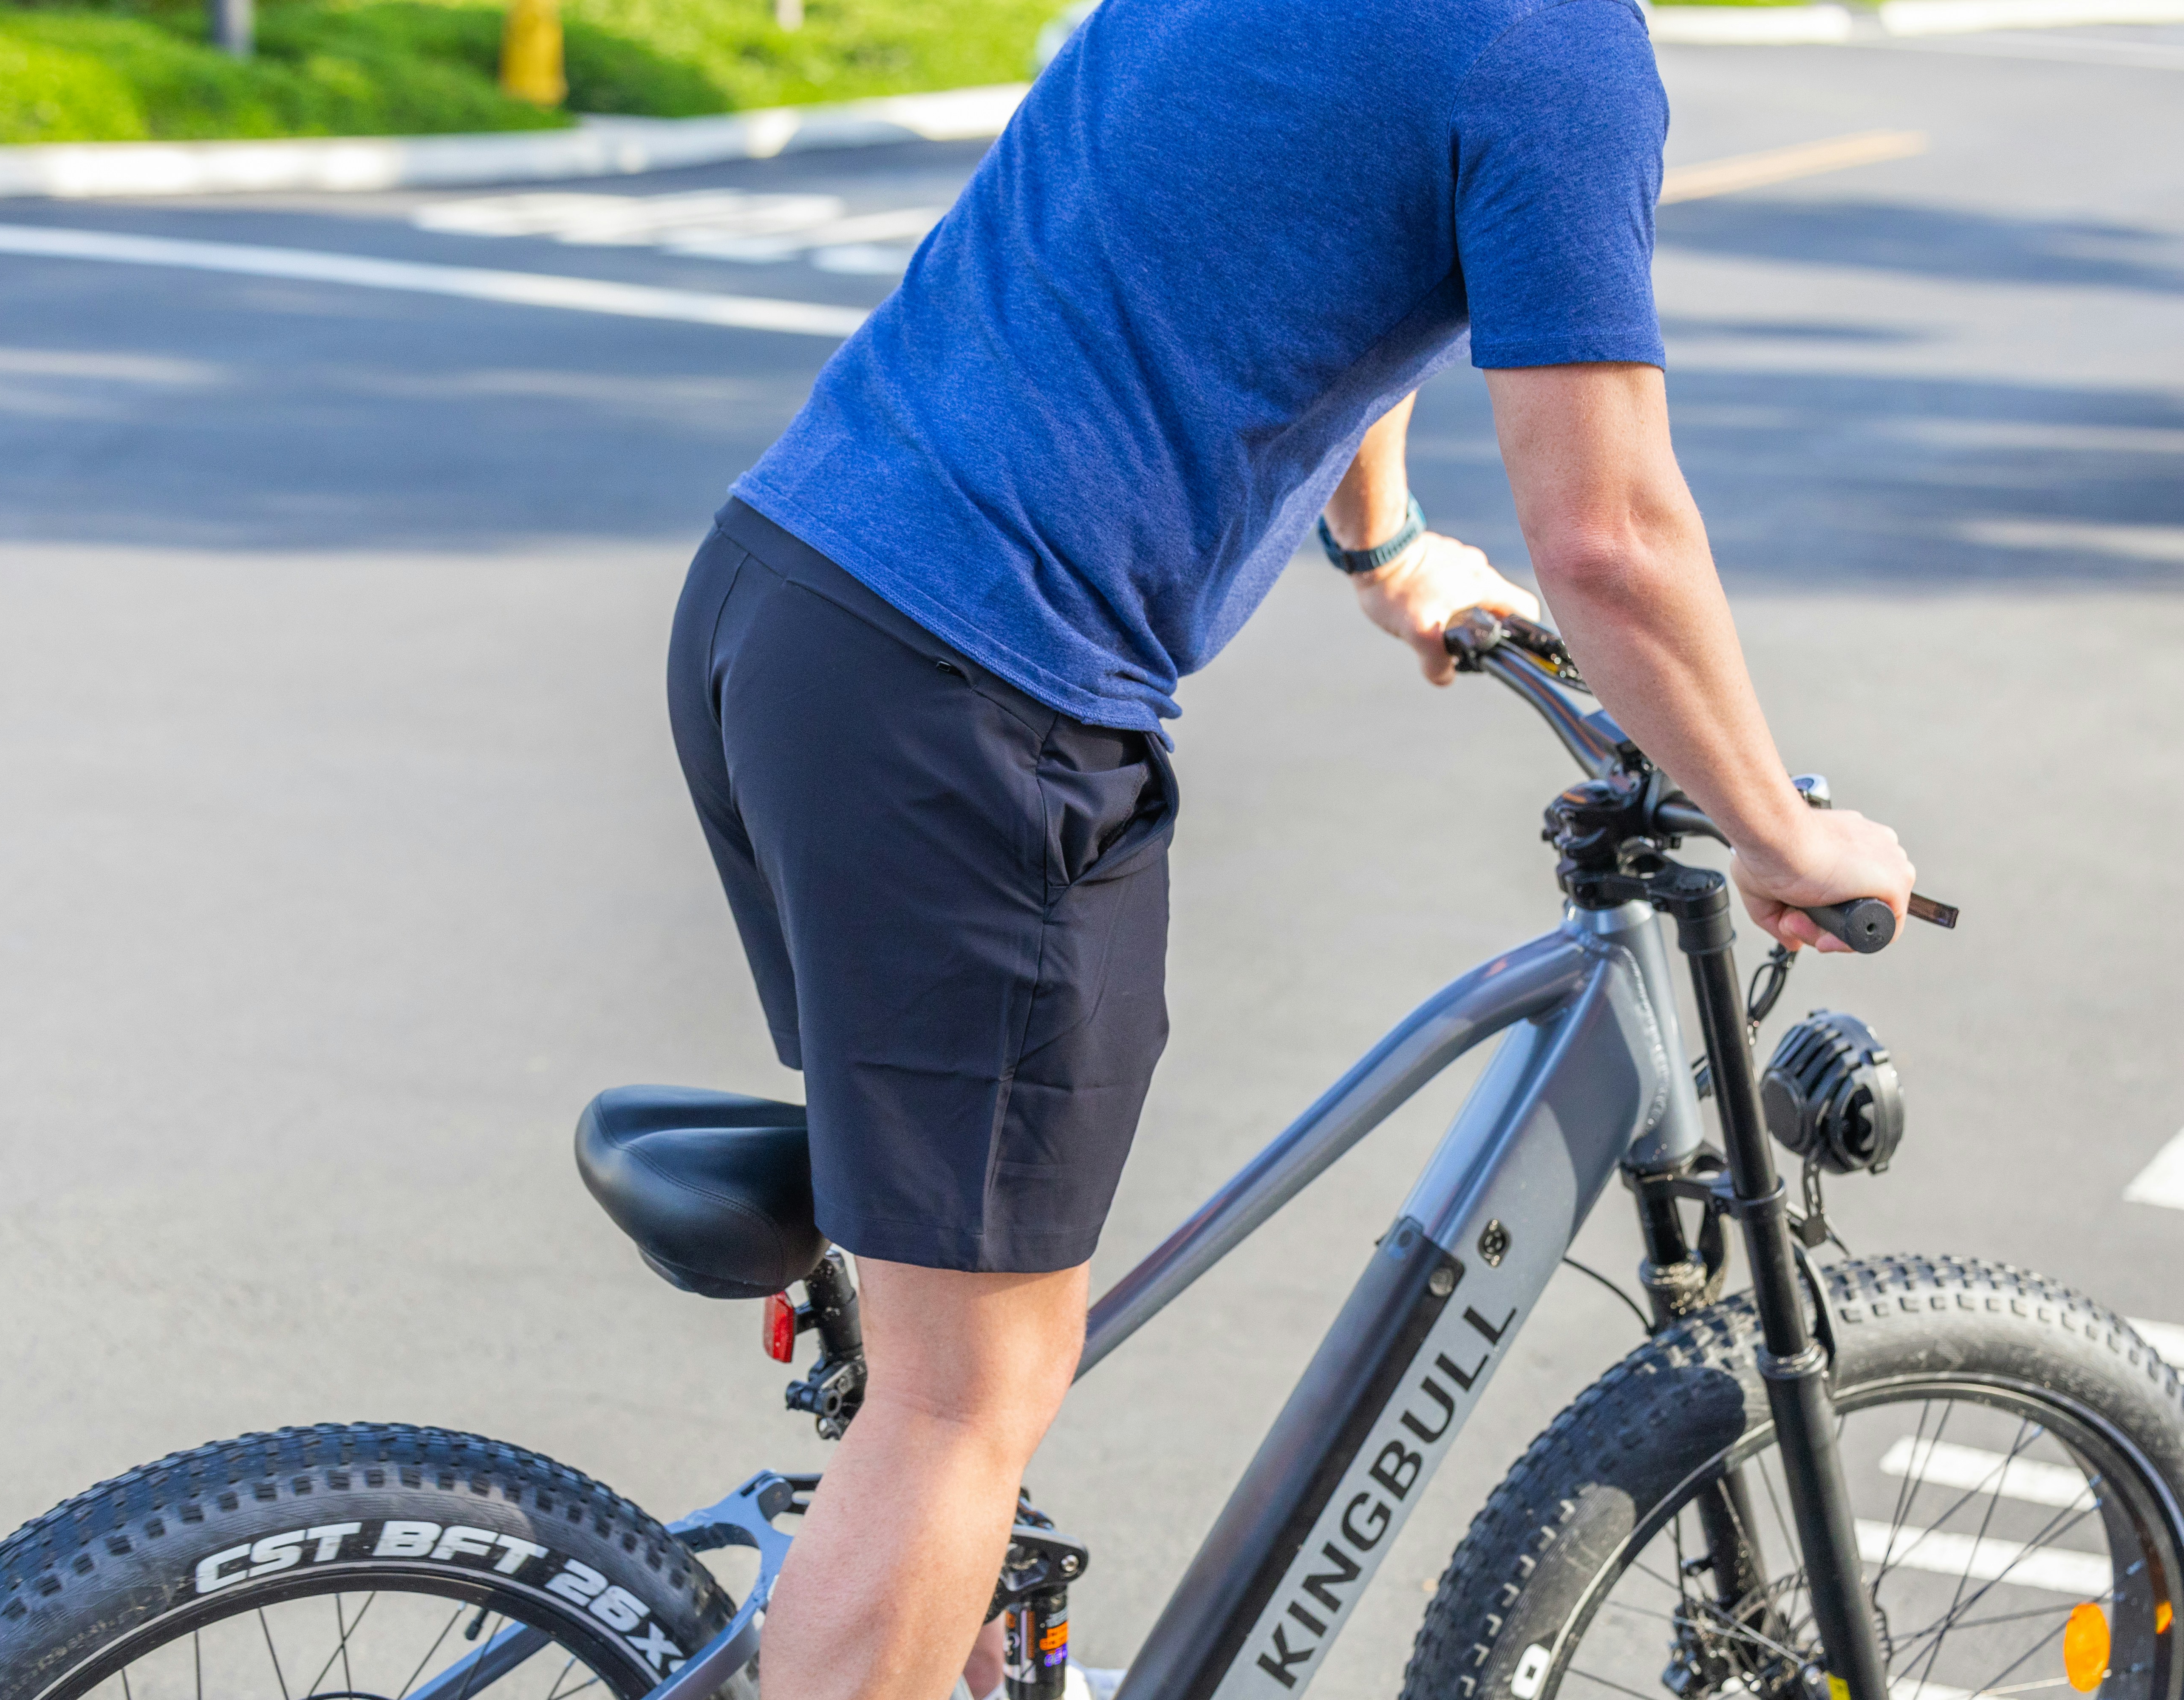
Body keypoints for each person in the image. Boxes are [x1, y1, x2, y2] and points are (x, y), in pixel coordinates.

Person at [664, 2, 1918, 1699]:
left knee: (945, 1337)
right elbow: (1612, 541)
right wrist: (1778, 823)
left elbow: (1296, 234)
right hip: (979, 699)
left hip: (789, 601)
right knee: (969, 1402)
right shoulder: (1554, 50)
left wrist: (1388, 545)